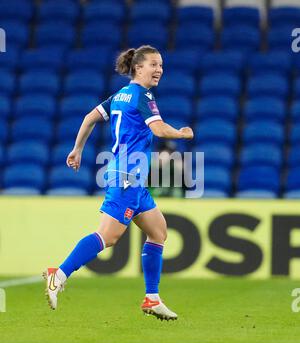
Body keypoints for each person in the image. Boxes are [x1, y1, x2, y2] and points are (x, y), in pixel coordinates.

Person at [43, 45, 194, 321]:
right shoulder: (142, 95)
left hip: (133, 178)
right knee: (108, 236)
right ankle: (60, 273)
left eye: (161, 65)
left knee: (158, 231)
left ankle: (152, 298)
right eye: (153, 64)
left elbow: (89, 118)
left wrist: (77, 149)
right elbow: (159, 129)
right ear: (138, 68)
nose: (159, 69)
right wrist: (182, 134)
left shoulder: (119, 95)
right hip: (126, 176)